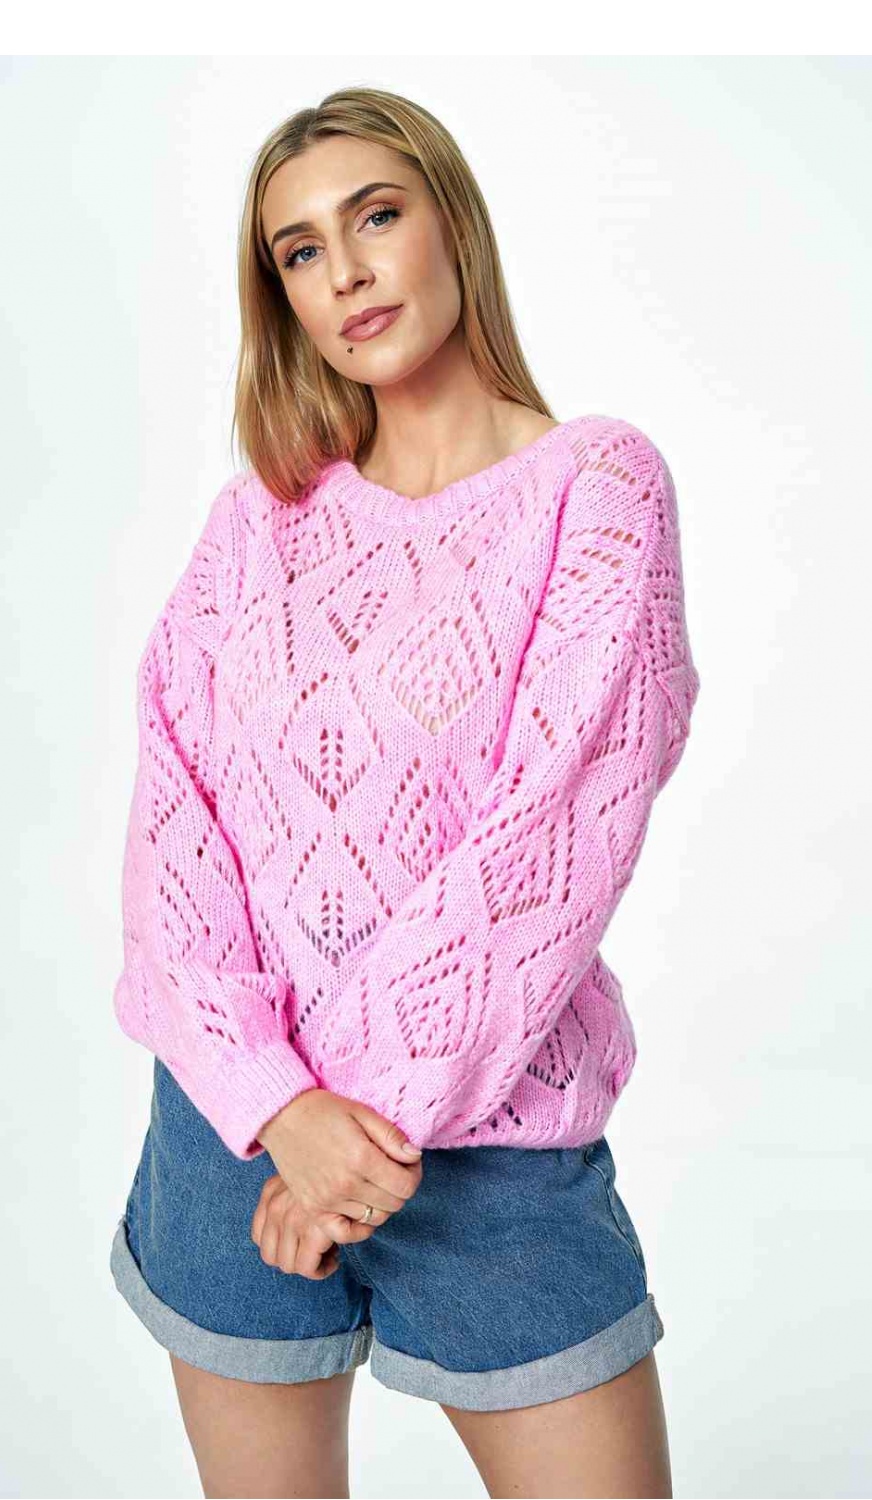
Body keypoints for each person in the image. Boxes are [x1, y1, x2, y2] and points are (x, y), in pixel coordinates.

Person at [109, 85, 701, 1499]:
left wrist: (351, 1134)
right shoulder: (257, 523)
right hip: (235, 1138)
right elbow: (175, 830)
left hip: (491, 1154)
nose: (346, 271)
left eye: (376, 215)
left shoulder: (594, 487)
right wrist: (280, 1108)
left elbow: (549, 844)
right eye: (300, 251)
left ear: (453, 222)